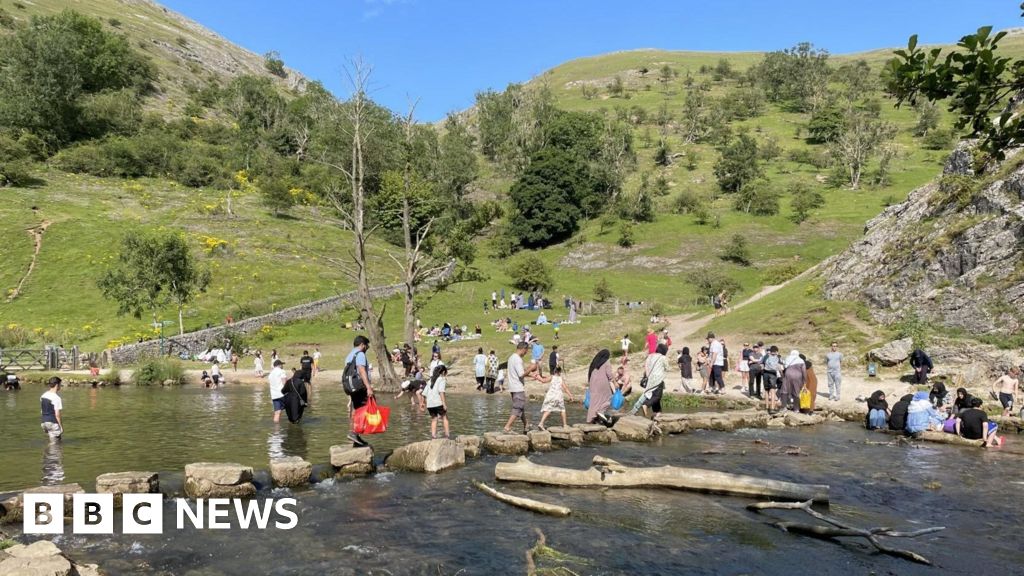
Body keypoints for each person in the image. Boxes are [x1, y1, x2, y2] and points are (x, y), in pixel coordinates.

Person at [344, 336, 375, 447]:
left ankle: (356, 437)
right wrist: (368, 387)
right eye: (367, 345)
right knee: (364, 409)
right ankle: (354, 433)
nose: (368, 347)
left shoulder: (349, 355)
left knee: (356, 409)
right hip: (360, 386)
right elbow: (361, 370)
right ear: (362, 344)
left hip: (351, 387)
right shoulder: (360, 354)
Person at [502, 341, 535, 433]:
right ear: (523, 349)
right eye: (526, 351)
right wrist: (531, 368)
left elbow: (517, 373)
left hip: (512, 387)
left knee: (520, 407)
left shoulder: (511, 358)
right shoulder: (518, 359)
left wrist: (531, 375)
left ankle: (526, 425)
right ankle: (507, 427)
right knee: (518, 407)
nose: (526, 353)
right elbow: (521, 374)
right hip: (518, 387)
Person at [632, 343, 669, 418]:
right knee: (657, 396)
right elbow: (667, 368)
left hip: (650, 378)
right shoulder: (663, 358)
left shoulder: (650, 356)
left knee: (649, 394)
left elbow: (646, 367)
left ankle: (657, 412)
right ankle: (646, 405)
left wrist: (647, 376)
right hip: (658, 379)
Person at [586, 349, 616, 425]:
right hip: (602, 383)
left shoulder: (594, 362)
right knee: (608, 398)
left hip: (593, 384)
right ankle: (601, 411)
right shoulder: (606, 362)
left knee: (594, 401)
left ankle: (591, 419)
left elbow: (589, 374)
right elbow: (609, 375)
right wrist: (614, 381)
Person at [425, 365, 450, 439]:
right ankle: (447, 435)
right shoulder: (442, 379)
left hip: (430, 404)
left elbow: (424, 393)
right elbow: (441, 392)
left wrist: (424, 403)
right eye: (445, 372)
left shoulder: (430, 380)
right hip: (438, 402)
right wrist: (444, 404)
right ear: (443, 372)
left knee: (434, 419)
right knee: (445, 417)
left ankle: (433, 436)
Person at [40, 377, 63, 441]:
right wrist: (60, 426)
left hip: (43, 422)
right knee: (56, 443)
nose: (60, 386)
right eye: (60, 385)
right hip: (52, 422)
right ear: (57, 385)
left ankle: (47, 450)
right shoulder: (56, 398)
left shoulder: (43, 395)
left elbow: (42, 411)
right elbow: (57, 415)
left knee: (52, 441)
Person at [762, 346, 782, 411]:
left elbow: (761, 364)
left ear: (770, 351)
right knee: (773, 391)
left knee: (766, 390)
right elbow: (781, 367)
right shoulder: (778, 358)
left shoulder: (765, 356)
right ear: (776, 351)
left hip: (765, 374)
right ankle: (772, 408)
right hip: (773, 374)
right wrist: (782, 375)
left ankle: (767, 406)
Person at [268, 359, 287, 423]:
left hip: (274, 395)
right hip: (282, 394)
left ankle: (276, 429)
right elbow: (284, 382)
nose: (282, 366)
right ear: (279, 365)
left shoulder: (271, 374)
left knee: (277, 412)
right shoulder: (281, 371)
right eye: (282, 364)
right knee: (290, 409)